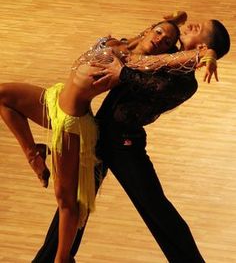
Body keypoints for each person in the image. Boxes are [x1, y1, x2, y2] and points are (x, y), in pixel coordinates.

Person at [0, 15, 227, 262]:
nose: (194, 25)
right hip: (98, 133)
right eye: (197, 22)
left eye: (201, 29)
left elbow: (154, 84)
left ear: (203, 46)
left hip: (124, 144)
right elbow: (149, 41)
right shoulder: (165, 50)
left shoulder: (184, 82)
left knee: (155, 208)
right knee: (76, 201)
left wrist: (124, 72)